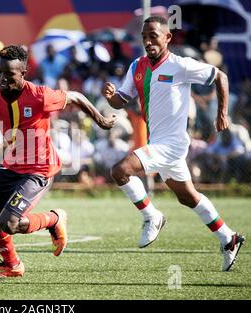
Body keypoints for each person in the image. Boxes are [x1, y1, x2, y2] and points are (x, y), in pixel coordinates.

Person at [0, 45, 116, 278]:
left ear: (23, 73)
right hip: (11, 164)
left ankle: (53, 219)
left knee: (8, 223)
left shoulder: (40, 95)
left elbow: (76, 96)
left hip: (39, 169)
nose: (1, 78)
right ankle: (12, 265)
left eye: (9, 74)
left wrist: (100, 120)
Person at [101, 16, 245, 271]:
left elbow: (220, 77)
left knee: (120, 170)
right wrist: (111, 98)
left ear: (167, 37)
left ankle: (151, 216)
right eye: (144, 36)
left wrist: (222, 113)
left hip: (173, 143)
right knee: (188, 197)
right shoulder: (137, 66)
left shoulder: (181, 65)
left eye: (153, 35)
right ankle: (228, 238)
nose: (147, 41)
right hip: (160, 143)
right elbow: (121, 100)